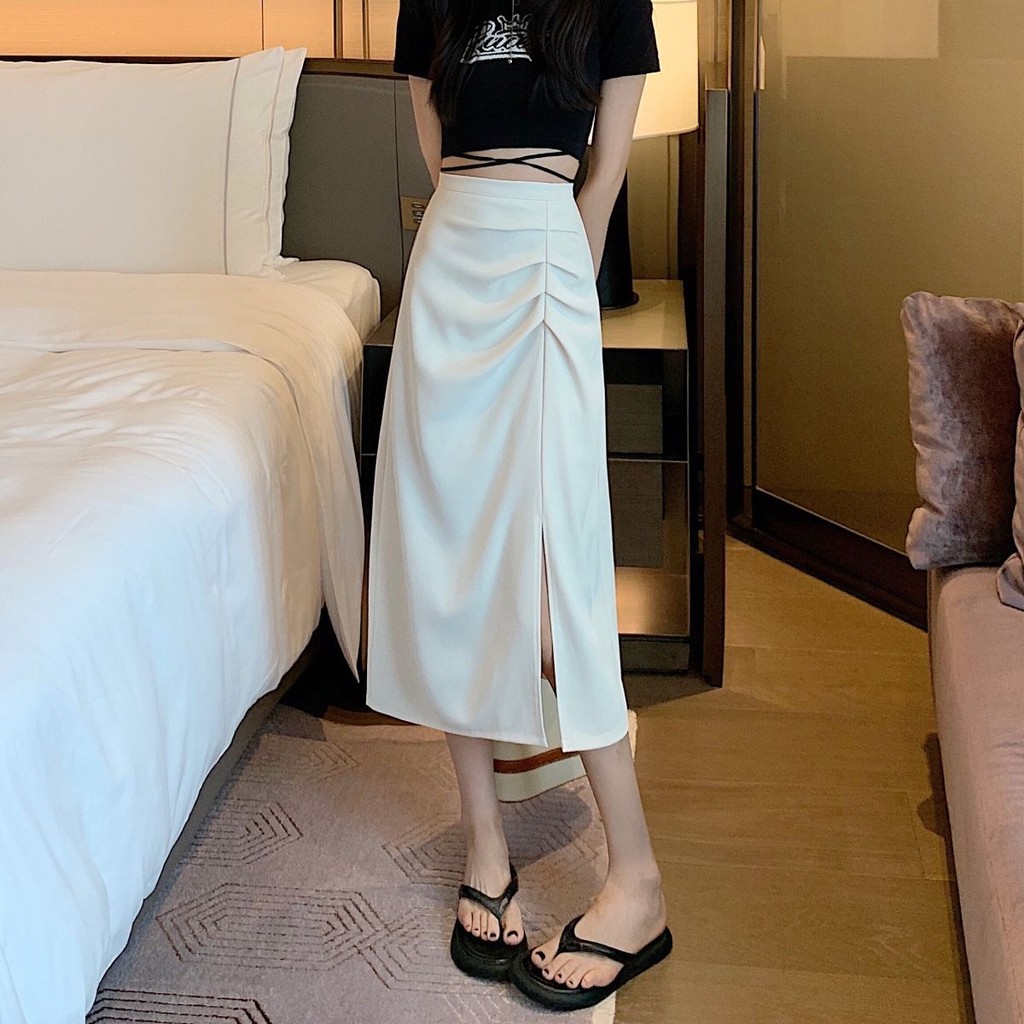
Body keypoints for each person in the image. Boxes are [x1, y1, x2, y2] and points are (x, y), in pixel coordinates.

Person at [365, 0, 672, 1010]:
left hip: (544, 259)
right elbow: (435, 146)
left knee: (551, 599)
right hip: (448, 264)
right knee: (453, 563)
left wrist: (570, 279)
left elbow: (607, 164)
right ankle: (485, 845)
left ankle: (637, 879)